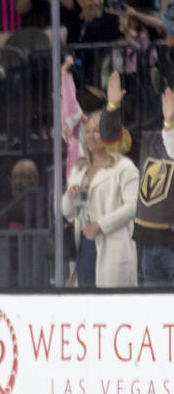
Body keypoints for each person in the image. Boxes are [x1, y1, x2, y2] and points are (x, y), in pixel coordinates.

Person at [101, 70, 174, 285]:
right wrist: (112, 108)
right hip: (149, 246)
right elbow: (111, 140)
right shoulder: (150, 139)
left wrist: (169, 125)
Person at [61, 108, 138, 287]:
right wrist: (70, 195)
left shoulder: (124, 167)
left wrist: (100, 225)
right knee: (87, 308)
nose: (90, 136)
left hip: (114, 248)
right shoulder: (79, 168)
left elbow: (133, 206)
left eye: (96, 131)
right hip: (86, 246)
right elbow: (67, 211)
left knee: (113, 311)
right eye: (87, 131)